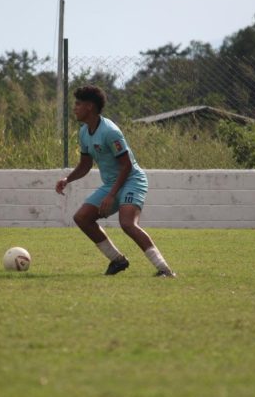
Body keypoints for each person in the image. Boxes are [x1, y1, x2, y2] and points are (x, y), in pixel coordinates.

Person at [55, 85, 176, 277]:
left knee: (127, 223)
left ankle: (165, 270)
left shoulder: (110, 131)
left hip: (132, 180)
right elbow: (85, 165)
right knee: (82, 218)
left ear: (90, 107)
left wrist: (111, 195)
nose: (75, 108)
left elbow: (126, 166)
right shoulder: (84, 132)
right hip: (112, 184)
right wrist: (67, 179)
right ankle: (117, 260)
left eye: (78, 104)